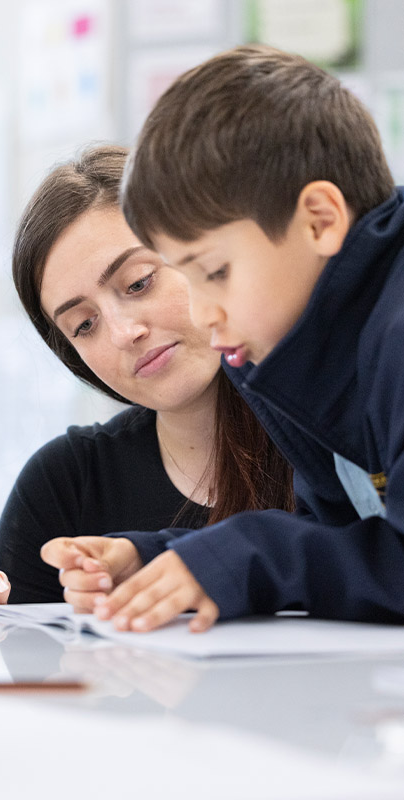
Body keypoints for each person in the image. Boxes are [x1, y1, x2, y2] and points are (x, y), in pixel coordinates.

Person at [59, 43, 404, 634]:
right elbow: (347, 542)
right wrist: (162, 559)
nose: (203, 312)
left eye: (214, 271)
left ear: (321, 220)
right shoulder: (289, 348)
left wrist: (240, 557)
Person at [0, 144, 293, 605]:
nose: (124, 333)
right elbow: (28, 670)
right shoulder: (62, 484)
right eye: (84, 326)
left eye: (138, 283)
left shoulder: (328, 428)